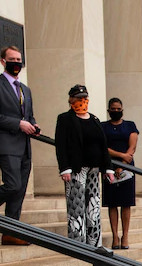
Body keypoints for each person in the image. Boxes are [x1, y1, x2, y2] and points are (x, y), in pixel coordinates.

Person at [0, 46, 39, 246]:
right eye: (12, 59)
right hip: (6, 143)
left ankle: (11, 230)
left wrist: (33, 125)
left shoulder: (25, 89)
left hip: (24, 146)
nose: (16, 63)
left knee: (19, 190)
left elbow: (29, 115)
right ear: (3, 61)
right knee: (12, 184)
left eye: (19, 59)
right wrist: (18, 124)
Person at [55, 85, 114, 247]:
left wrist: (108, 167)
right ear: (71, 100)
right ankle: (78, 244)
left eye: (84, 98)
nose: (82, 102)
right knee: (76, 206)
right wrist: (64, 167)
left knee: (93, 206)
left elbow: (103, 144)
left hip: (94, 169)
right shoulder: (65, 119)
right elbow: (60, 145)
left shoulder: (94, 119)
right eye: (79, 99)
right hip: (76, 169)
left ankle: (94, 243)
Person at [101, 98, 138, 250]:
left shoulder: (130, 125)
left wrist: (123, 164)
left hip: (127, 168)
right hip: (109, 166)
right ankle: (115, 236)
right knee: (112, 203)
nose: (116, 111)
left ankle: (125, 236)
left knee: (126, 203)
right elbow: (102, 146)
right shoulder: (103, 126)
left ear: (122, 109)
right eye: (113, 109)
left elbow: (132, 146)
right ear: (108, 110)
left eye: (118, 109)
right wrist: (120, 157)